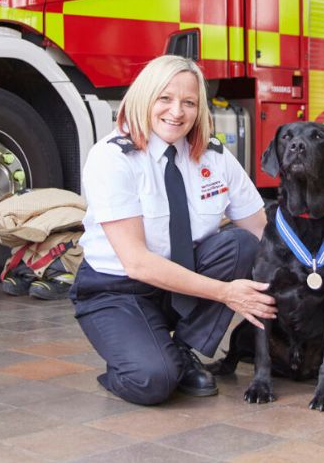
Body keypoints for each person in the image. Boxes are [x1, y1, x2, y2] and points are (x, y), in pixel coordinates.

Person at [70, 55, 276, 406]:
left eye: (189, 102)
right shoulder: (112, 157)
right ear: (144, 97)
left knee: (242, 244)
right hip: (117, 290)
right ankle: (141, 355)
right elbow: (136, 263)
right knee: (152, 380)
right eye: (165, 98)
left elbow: (261, 230)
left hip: (181, 279)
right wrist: (227, 293)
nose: (176, 112)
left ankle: (182, 348)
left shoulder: (214, 155)